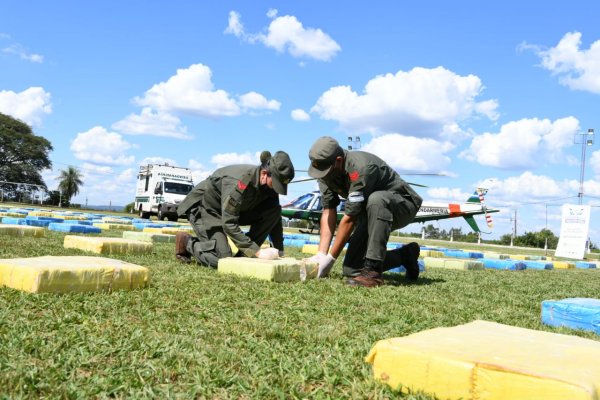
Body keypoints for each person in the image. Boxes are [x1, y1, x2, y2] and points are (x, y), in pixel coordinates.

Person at [305, 136, 423, 287]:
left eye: (325, 170)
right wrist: (321, 255)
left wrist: (331, 259)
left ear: (339, 160)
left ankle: (373, 273)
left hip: (402, 206)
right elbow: (329, 211)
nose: (322, 175)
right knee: (352, 268)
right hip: (371, 214)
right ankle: (405, 255)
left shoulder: (361, 168)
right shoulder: (325, 171)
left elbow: (350, 218)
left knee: (377, 199)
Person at [175, 151, 295, 268]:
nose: (276, 188)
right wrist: (257, 252)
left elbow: (274, 216)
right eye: (275, 183)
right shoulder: (238, 182)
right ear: (264, 174)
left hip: (230, 212)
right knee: (223, 260)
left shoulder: (269, 186)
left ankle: (244, 254)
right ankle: (187, 243)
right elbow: (229, 223)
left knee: (273, 211)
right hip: (206, 209)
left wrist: (279, 251)